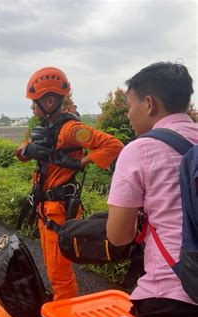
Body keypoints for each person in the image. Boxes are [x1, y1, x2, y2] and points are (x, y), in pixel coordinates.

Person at [106, 62, 198, 317]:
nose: (127, 114)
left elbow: (118, 236)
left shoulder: (139, 150)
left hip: (171, 298)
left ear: (149, 104)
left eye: (130, 104)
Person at [16, 67, 123, 301]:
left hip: (59, 209)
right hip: (46, 208)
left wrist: (78, 163)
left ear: (50, 100)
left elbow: (113, 145)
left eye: (35, 102)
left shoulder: (71, 130)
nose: (32, 107)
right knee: (53, 267)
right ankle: (60, 313)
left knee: (59, 273)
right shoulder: (44, 128)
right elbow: (20, 152)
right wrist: (27, 150)